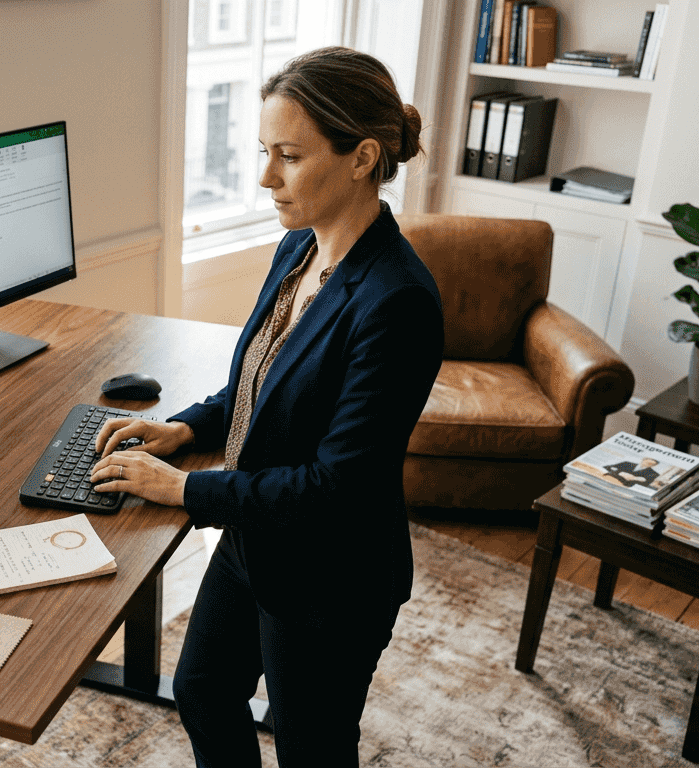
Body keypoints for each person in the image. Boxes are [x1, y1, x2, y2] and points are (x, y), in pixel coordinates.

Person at [88, 47, 444, 767]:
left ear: (361, 158)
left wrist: (185, 489)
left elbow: (337, 487)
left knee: (312, 748)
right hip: (257, 537)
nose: (265, 177)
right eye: (264, 152)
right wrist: (183, 427)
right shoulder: (298, 249)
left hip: (332, 577)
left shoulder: (396, 303)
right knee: (202, 690)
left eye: (289, 156)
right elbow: (260, 382)